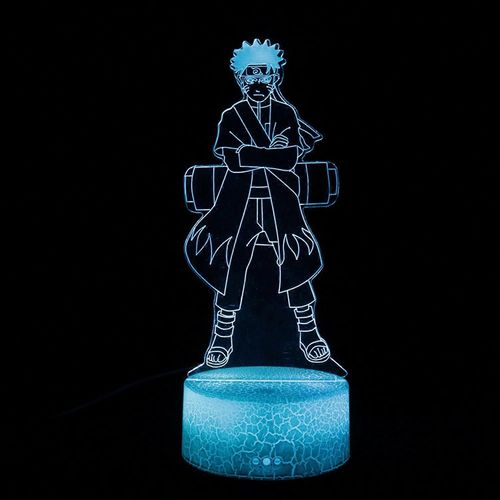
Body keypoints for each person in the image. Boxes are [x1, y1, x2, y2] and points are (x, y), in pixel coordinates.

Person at [185, 39, 331, 368]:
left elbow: (289, 159)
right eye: (250, 73)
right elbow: (233, 162)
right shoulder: (231, 116)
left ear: (275, 76)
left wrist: (253, 154)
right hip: (238, 203)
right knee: (230, 265)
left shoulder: (285, 113)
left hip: (280, 201)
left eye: (264, 72)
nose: (258, 80)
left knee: (296, 260)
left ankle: (309, 334)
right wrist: (270, 154)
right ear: (240, 78)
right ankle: (222, 336)